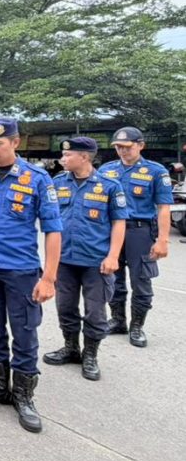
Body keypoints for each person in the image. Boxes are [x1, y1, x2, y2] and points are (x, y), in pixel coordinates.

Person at [0, 117, 62, 434]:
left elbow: (53, 230)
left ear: (15, 143)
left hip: (21, 270)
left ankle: (24, 396)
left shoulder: (38, 179)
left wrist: (49, 278)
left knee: (25, 332)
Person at [44, 137, 127, 380]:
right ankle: (71, 348)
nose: (63, 158)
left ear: (84, 157)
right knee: (65, 307)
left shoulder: (109, 186)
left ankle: (90, 354)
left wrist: (113, 256)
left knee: (95, 312)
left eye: (68, 155)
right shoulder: (57, 182)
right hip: (65, 259)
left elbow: (119, 223)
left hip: (96, 261)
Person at [99, 126, 173, 347]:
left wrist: (162, 240)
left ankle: (137, 326)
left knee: (141, 281)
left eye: (127, 147)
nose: (122, 151)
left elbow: (163, 208)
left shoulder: (156, 171)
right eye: (118, 147)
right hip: (112, 231)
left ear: (141, 145)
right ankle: (118, 320)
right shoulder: (106, 170)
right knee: (113, 277)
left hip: (140, 230)